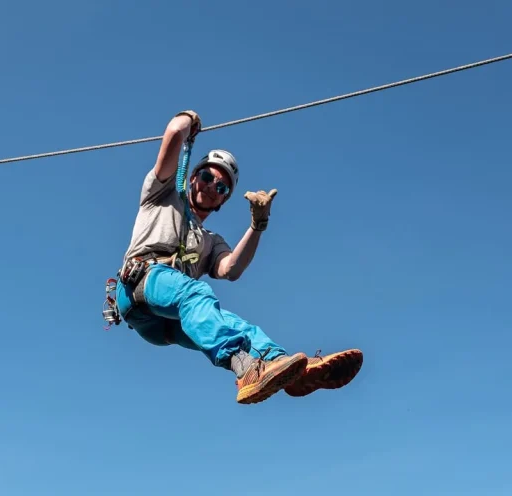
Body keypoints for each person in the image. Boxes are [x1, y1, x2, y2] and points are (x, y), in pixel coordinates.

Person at [112, 110, 362, 405]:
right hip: (139, 284)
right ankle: (245, 369)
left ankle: (290, 370)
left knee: (239, 326)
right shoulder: (162, 195)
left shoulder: (210, 241)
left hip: (164, 324)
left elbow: (232, 269)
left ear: (223, 199)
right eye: (207, 177)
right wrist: (188, 119)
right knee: (196, 292)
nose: (211, 187)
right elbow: (174, 133)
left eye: (221, 188)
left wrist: (258, 225)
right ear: (193, 176)